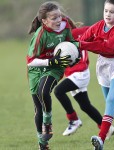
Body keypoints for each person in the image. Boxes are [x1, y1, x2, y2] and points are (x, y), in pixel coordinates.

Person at [77, 0, 114, 149]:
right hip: (103, 65)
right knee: (112, 103)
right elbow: (83, 39)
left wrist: (82, 45)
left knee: (110, 99)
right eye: (106, 10)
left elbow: (107, 47)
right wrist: (73, 46)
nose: (107, 14)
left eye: (112, 12)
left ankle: (101, 139)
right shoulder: (99, 26)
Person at [26, 1, 78, 150]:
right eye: (54, 18)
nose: (58, 20)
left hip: (55, 67)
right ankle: (42, 143)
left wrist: (76, 56)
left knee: (44, 91)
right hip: (37, 69)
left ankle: (47, 121)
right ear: (44, 21)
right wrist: (51, 61)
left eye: (59, 16)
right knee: (37, 107)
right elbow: (30, 62)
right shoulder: (40, 35)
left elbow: (72, 43)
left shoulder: (65, 25)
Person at [54, 25, 114, 139]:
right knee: (85, 106)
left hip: (80, 73)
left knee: (58, 91)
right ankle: (106, 128)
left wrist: (111, 34)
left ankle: (73, 119)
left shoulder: (77, 32)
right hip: (74, 74)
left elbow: (98, 28)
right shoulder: (57, 38)